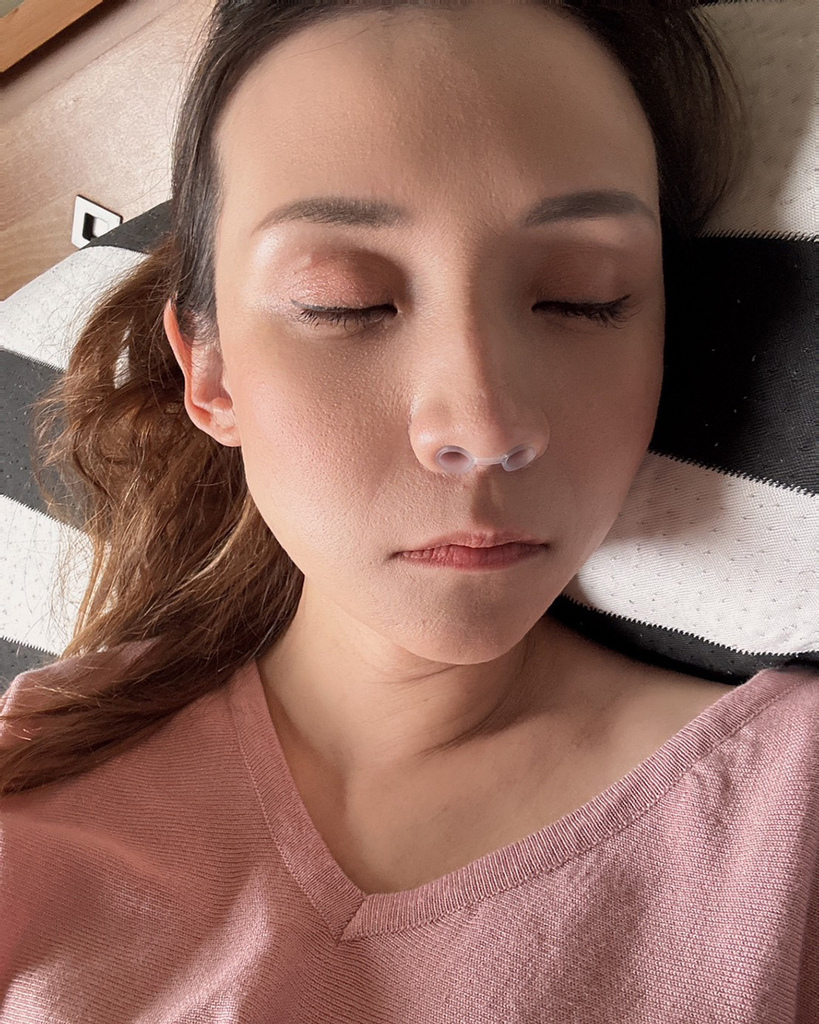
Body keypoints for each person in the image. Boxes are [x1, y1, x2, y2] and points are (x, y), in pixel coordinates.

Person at [2, 3, 815, 1022]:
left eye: (582, 295)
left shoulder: (785, 825)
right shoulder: (31, 778)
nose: (483, 425)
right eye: (344, 301)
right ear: (207, 373)